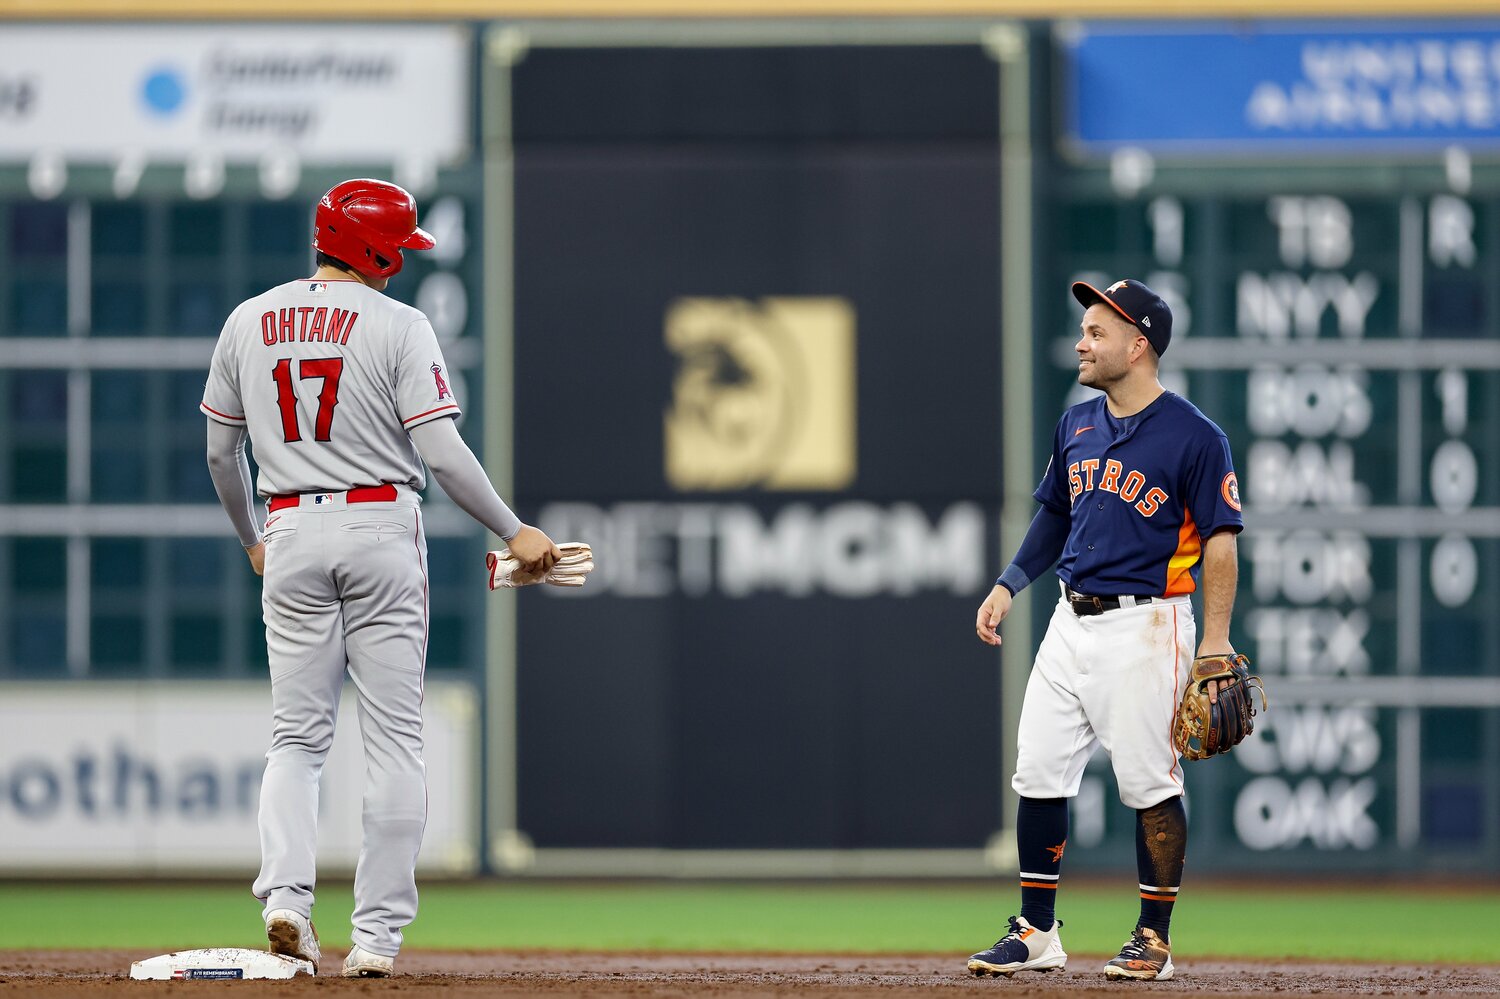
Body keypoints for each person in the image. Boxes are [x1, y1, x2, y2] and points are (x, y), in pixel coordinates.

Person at [202, 178, 559, 977]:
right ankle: (375, 942)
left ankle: (286, 900)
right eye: (398, 247)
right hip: (379, 523)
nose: (402, 262)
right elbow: (440, 453)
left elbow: (221, 455)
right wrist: (513, 528)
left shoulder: (247, 319)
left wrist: (253, 538)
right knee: (394, 739)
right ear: (374, 248)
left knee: (296, 737)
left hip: (288, 523)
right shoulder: (400, 324)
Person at [966, 279, 1243, 982]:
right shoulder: (1077, 424)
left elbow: (1220, 540)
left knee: (1150, 781)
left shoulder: (1196, 436)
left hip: (1148, 622)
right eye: (1085, 330)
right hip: (1070, 616)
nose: (1083, 343)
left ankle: (1153, 936)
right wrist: (1009, 583)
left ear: (1138, 343)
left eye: (1096, 331)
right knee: (1037, 767)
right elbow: (1055, 516)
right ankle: (1036, 930)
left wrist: (1215, 638)